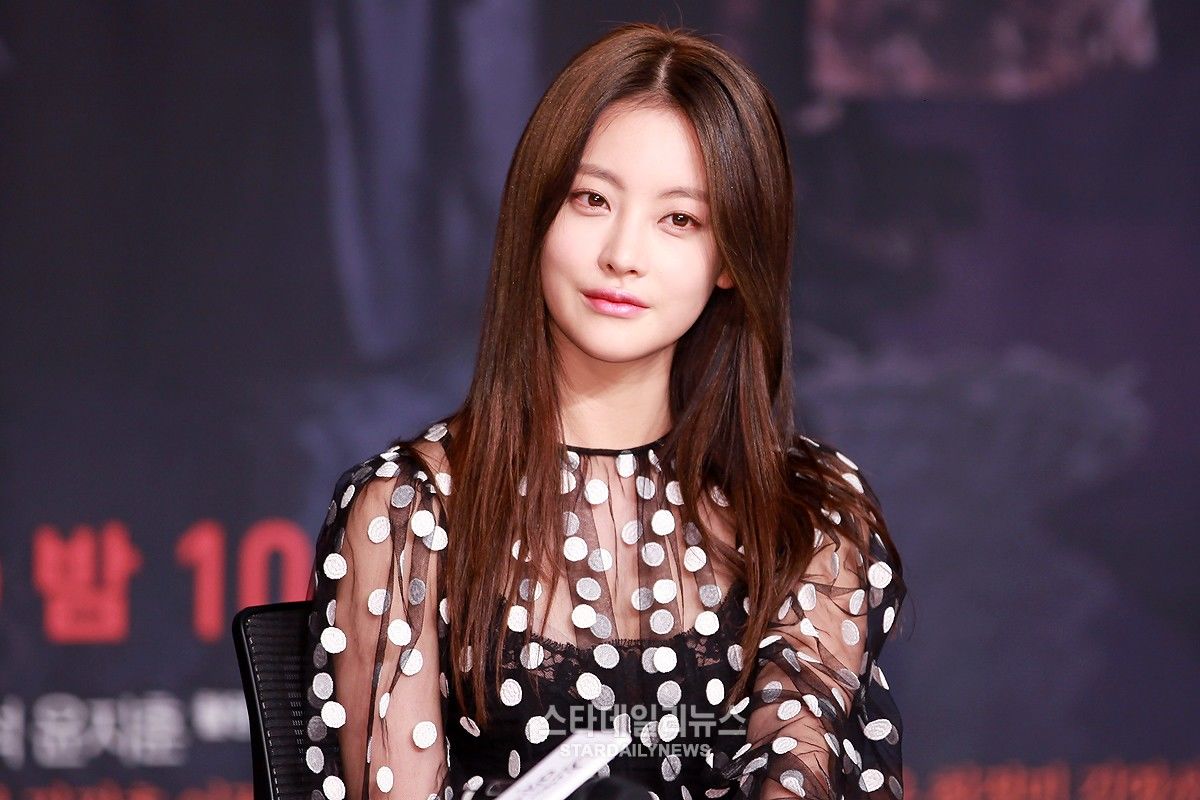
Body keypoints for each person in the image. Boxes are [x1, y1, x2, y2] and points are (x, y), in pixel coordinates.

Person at [302, 21, 905, 800]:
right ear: (538, 214)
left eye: (679, 219)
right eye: (592, 200)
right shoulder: (412, 510)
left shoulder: (809, 513)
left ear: (730, 258)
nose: (623, 253)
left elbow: (798, 766)